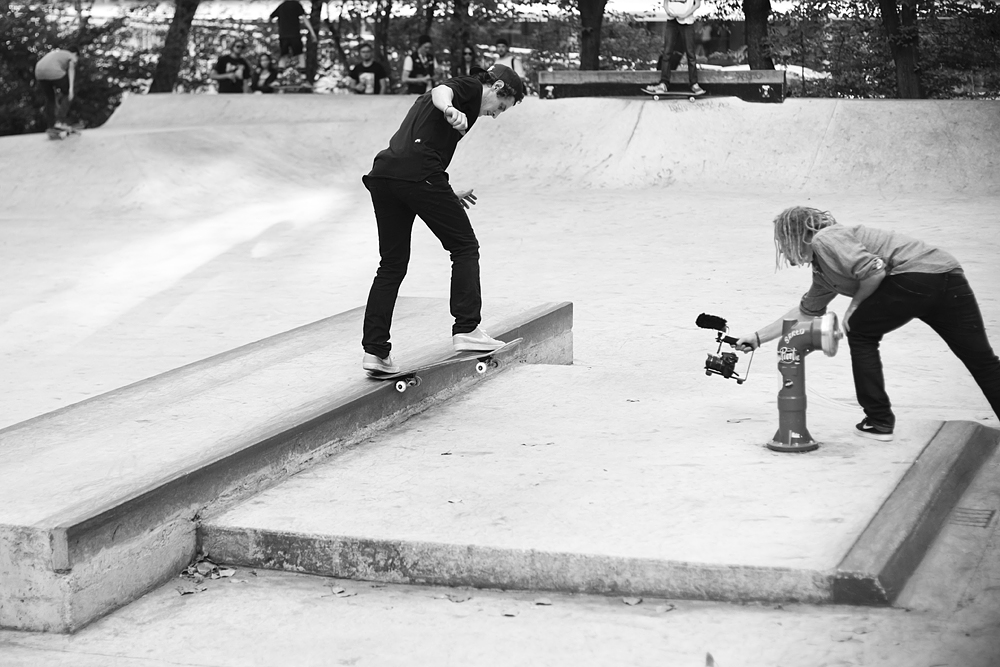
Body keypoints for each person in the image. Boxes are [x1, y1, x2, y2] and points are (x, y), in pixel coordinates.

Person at [734, 206, 1000, 442]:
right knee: (982, 360)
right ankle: (879, 418)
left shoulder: (827, 238)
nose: (782, 248)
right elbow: (805, 312)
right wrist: (757, 337)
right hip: (948, 275)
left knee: (860, 330)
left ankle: (879, 420)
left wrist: (854, 307)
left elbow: (874, 270)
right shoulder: (825, 272)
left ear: (799, 234)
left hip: (915, 276)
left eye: (783, 240)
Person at [360, 64, 526, 373]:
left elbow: (417, 152)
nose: (496, 114)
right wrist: (450, 108)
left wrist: (447, 194)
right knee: (464, 246)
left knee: (392, 265)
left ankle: (375, 351)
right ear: (498, 87)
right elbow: (442, 90)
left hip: (386, 176)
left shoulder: (464, 105)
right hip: (419, 176)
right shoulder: (469, 89)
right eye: (501, 106)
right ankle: (467, 328)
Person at [647, 0, 705, 96]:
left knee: (690, 54)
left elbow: (697, 4)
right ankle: (664, 83)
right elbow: (665, 2)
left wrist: (685, 14)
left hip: (687, 22)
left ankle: (694, 83)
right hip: (672, 21)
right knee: (667, 52)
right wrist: (667, 10)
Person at [34, 45, 79, 133]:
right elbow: (71, 69)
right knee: (68, 94)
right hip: (53, 71)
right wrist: (71, 89)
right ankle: (60, 122)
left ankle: (51, 126)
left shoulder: (57, 53)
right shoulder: (71, 55)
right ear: (75, 54)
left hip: (38, 72)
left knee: (50, 99)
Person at [269, 0, 317, 70]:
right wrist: (312, 32)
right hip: (295, 35)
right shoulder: (296, 4)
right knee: (300, 54)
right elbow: (305, 19)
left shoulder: (282, 6)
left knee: (283, 55)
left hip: (283, 35)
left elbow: (271, 17)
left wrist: (274, 29)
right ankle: (302, 73)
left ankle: (280, 74)